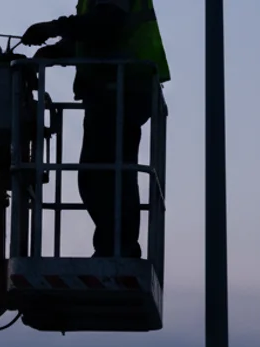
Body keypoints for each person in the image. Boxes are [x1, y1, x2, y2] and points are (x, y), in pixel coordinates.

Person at [20, 0, 169, 258]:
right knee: (107, 174)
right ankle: (115, 248)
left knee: (102, 175)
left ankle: (117, 249)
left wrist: (53, 27)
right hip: (114, 91)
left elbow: (106, 25)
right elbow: (95, 35)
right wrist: (56, 51)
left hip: (121, 89)